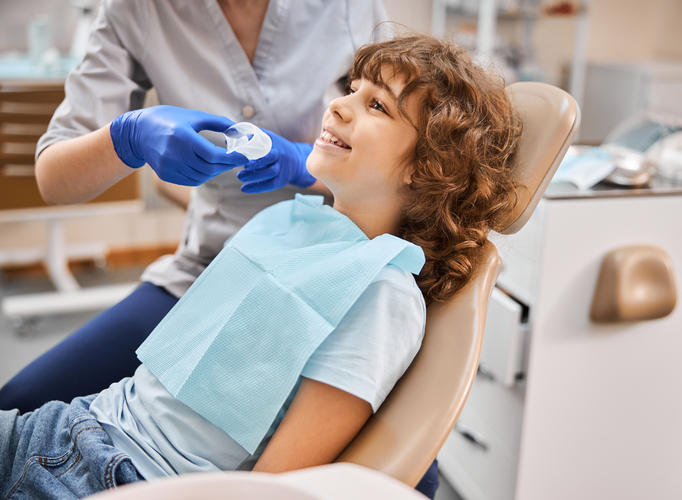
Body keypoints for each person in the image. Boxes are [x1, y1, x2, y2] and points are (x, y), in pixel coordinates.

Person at [0, 34, 521, 500]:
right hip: (85, 422)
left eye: (376, 105)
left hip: (118, 473)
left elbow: (272, 487)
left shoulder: (383, 295)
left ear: (427, 168)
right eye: (352, 88)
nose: (338, 106)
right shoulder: (286, 221)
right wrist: (128, 137)